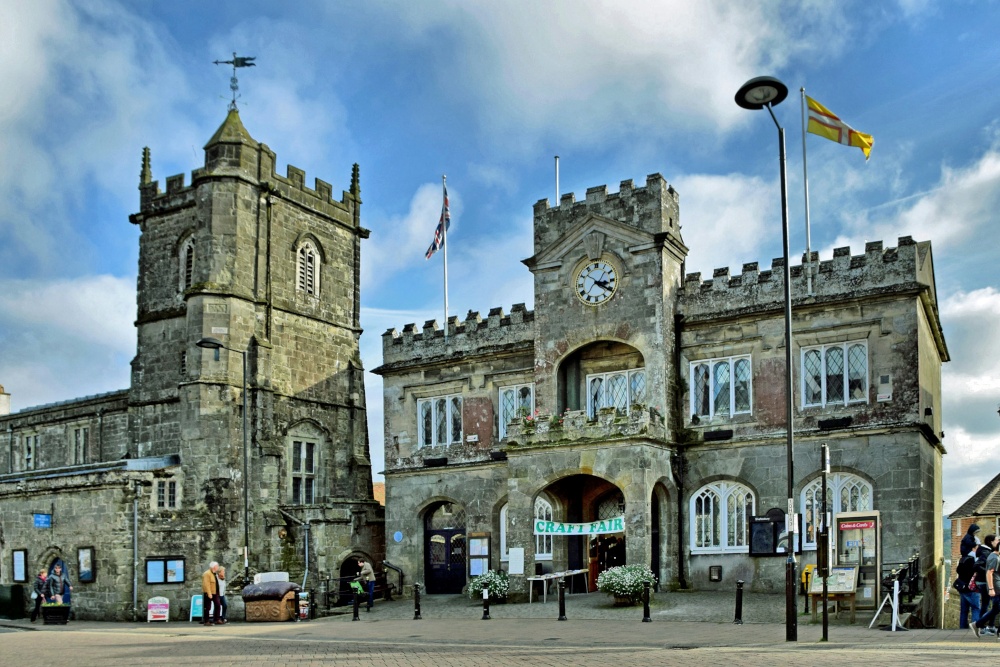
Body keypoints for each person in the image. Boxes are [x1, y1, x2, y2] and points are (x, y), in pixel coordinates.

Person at [956, 547, 982, 637]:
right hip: (972, 588)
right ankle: (975, 627)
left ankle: (962, 628)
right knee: (976, 608)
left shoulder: (963, 559)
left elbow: (958, 570)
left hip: (962, 587)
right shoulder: (974, 561)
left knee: (964, 610)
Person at [978, 536, 999, 635]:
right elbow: (989, 572)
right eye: (997, 540)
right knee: (988, 606)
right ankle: (980, 626)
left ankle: (989, 626)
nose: (998, 541)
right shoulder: (989, 554)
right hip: (991, 585)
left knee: (995, 607)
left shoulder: (992, 554)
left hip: (993, 585)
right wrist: (990, 588)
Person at [201, 561, 221, 626]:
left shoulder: (214, 573)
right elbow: (206, 584)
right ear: (214, 567)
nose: (218, 567)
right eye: (217, 566)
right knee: (207, 607)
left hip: (215, 592)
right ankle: (206, 621)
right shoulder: (207, 574)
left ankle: (216, 619)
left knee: (218, 605)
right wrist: (209, 593)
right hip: (209, 592)